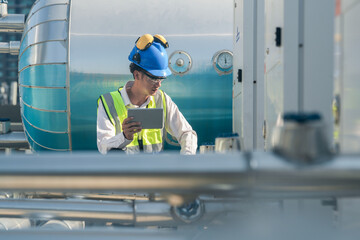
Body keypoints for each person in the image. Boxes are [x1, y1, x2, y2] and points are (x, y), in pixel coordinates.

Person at [97, 34, 197, 154]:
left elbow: (187, 133)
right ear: (137, 75)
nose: (158, 84)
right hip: (124, 172)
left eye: (161, 79)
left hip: (154, 171)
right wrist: (124, 136)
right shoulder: (108, 102)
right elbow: (103, 147)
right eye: (154, 79)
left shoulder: (162, 99)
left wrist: (186, 159)